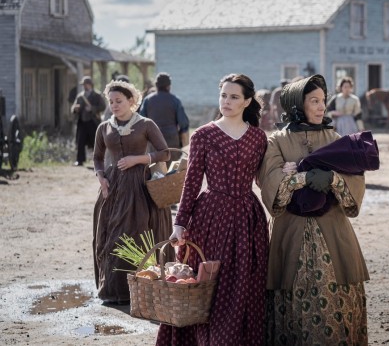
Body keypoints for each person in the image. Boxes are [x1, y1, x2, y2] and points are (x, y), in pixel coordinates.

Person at [157, 73, 269, 345]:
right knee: (206, 283)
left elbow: (263, 178)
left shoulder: (258, 137)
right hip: (211, 218)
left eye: (234, 97)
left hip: (247, 220)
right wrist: (179, 223)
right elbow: (192, 182)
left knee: (243, 285)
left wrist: (286, 170)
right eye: (223, 95)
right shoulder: (204, 135)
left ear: (247, 102)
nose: (226, 101)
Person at [258, 74, 369, 345]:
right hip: (290, 232)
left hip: (334, 231)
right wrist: (301, 178)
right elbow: (270, 182)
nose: (321, 107)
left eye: (323, 101)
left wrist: (332, 178)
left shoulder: (335, 138)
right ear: (298, 104)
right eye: (314, 101)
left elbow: (355, 180)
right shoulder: (276, 141)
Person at [92, 81, 173, 304]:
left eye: (119, 101)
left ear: (131, 101)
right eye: (111, 101)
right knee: (110, 236)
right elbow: (97, 157)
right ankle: (112, 290)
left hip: (139, 187)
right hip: (112, 187)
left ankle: (142, 289)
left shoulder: (146, 124)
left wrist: (137, 159)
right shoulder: (104, 127)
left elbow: (165, 153)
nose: (114, 105)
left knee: (137, 234)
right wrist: (101, 177)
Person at [139, 72, 190, 153]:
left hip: (153, 141)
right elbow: (183, 123)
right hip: (172, 140)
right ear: (169, 86)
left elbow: (141, 121)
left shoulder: (147, 100)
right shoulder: (175, 100)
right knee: (173, 161)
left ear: (156, 85)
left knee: (155, 161)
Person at [71, 76, 106, 166]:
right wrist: (75, 108)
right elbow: (73, 107)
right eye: (83, 85)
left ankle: (98, 160)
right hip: (82, 122)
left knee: (95, 142)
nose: (84, 86)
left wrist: (92, 108)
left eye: (85, 84)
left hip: (93, 122)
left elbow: (103, 107)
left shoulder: (97, 95)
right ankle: (80, 160)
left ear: (90, 84)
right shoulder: (80, 96)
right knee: (80, 141)